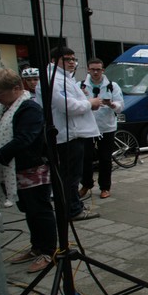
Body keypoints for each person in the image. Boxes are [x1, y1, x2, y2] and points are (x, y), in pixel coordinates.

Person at [0, 69, 58, 273]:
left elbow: (24, 139)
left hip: (33, 169)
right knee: (29, 211)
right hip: (16, 170)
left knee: (40, 210)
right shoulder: (4, 108)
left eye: (0, 93)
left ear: (16, 89)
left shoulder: (29, 108)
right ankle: (36, 247)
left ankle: (48, 251)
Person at [37, 46, 100, 221]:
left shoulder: (64, 78)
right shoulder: (54, 80)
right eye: (67, 59)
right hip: (67, 135)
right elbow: (67, 106)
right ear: (54, 60)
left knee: (71, 174)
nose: (72, 62)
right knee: (70, 176)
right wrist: (90, 103)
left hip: (73, 133)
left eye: (73, 59)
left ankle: (72, 205)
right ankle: (72, 210)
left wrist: (85, 101)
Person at [79, 58, 124, 200]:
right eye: (92, 69)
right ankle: (86, 184)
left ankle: (105, 187)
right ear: (88, 70)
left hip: (106, 127)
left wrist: (111, 104)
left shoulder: (112, 86)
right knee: (85, 158)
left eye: (98, 69)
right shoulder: (80, 85)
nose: (95, 72)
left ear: (103, 70)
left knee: (105, 158)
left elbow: (120, 107)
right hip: (87, 127)